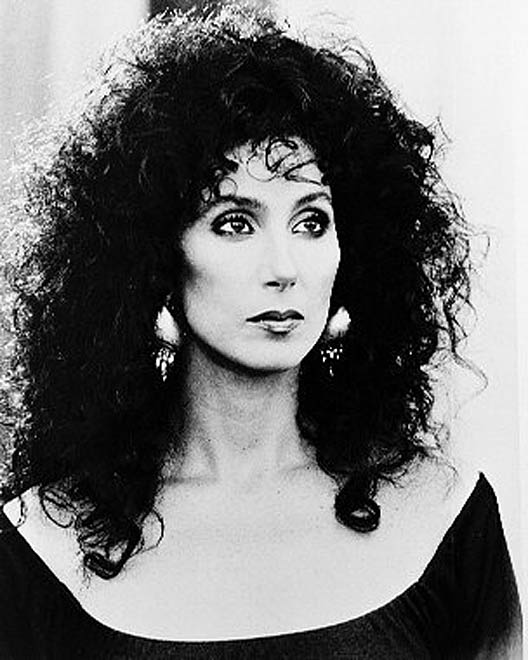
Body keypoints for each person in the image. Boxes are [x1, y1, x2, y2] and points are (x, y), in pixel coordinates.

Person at [0, 2, 521, 657]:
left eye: (311, 222)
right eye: (235, 223)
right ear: (153, 256)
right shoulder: (35, 546)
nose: (283, 269)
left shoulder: (448, 516)